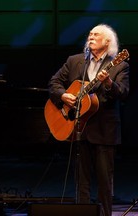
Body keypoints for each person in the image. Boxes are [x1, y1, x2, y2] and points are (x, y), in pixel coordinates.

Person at [47, 24, 130, 216]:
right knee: (81, 181)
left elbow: (124, 93)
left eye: (96, 35)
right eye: (90, 34)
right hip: (78, 127)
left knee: (104, 181)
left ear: (107, 42)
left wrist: (109, 83)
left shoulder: (119, 64)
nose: (91, 37)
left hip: (103, 129)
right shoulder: (74, 61)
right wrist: (63, 96)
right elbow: (54, 83)